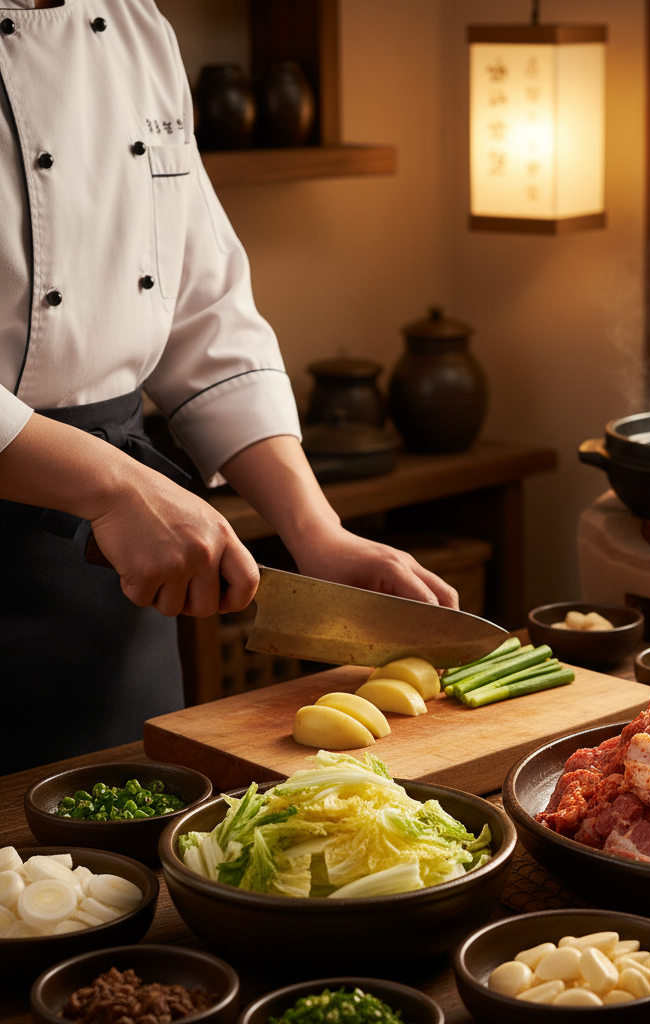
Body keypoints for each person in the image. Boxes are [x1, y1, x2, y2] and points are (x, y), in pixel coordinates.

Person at [0, 0, 457, 775]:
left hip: (116, 577)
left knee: (129, 850)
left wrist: (317, 534)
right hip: (108, 508)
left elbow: (203, 309)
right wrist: (116, 488)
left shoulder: (133, 24)